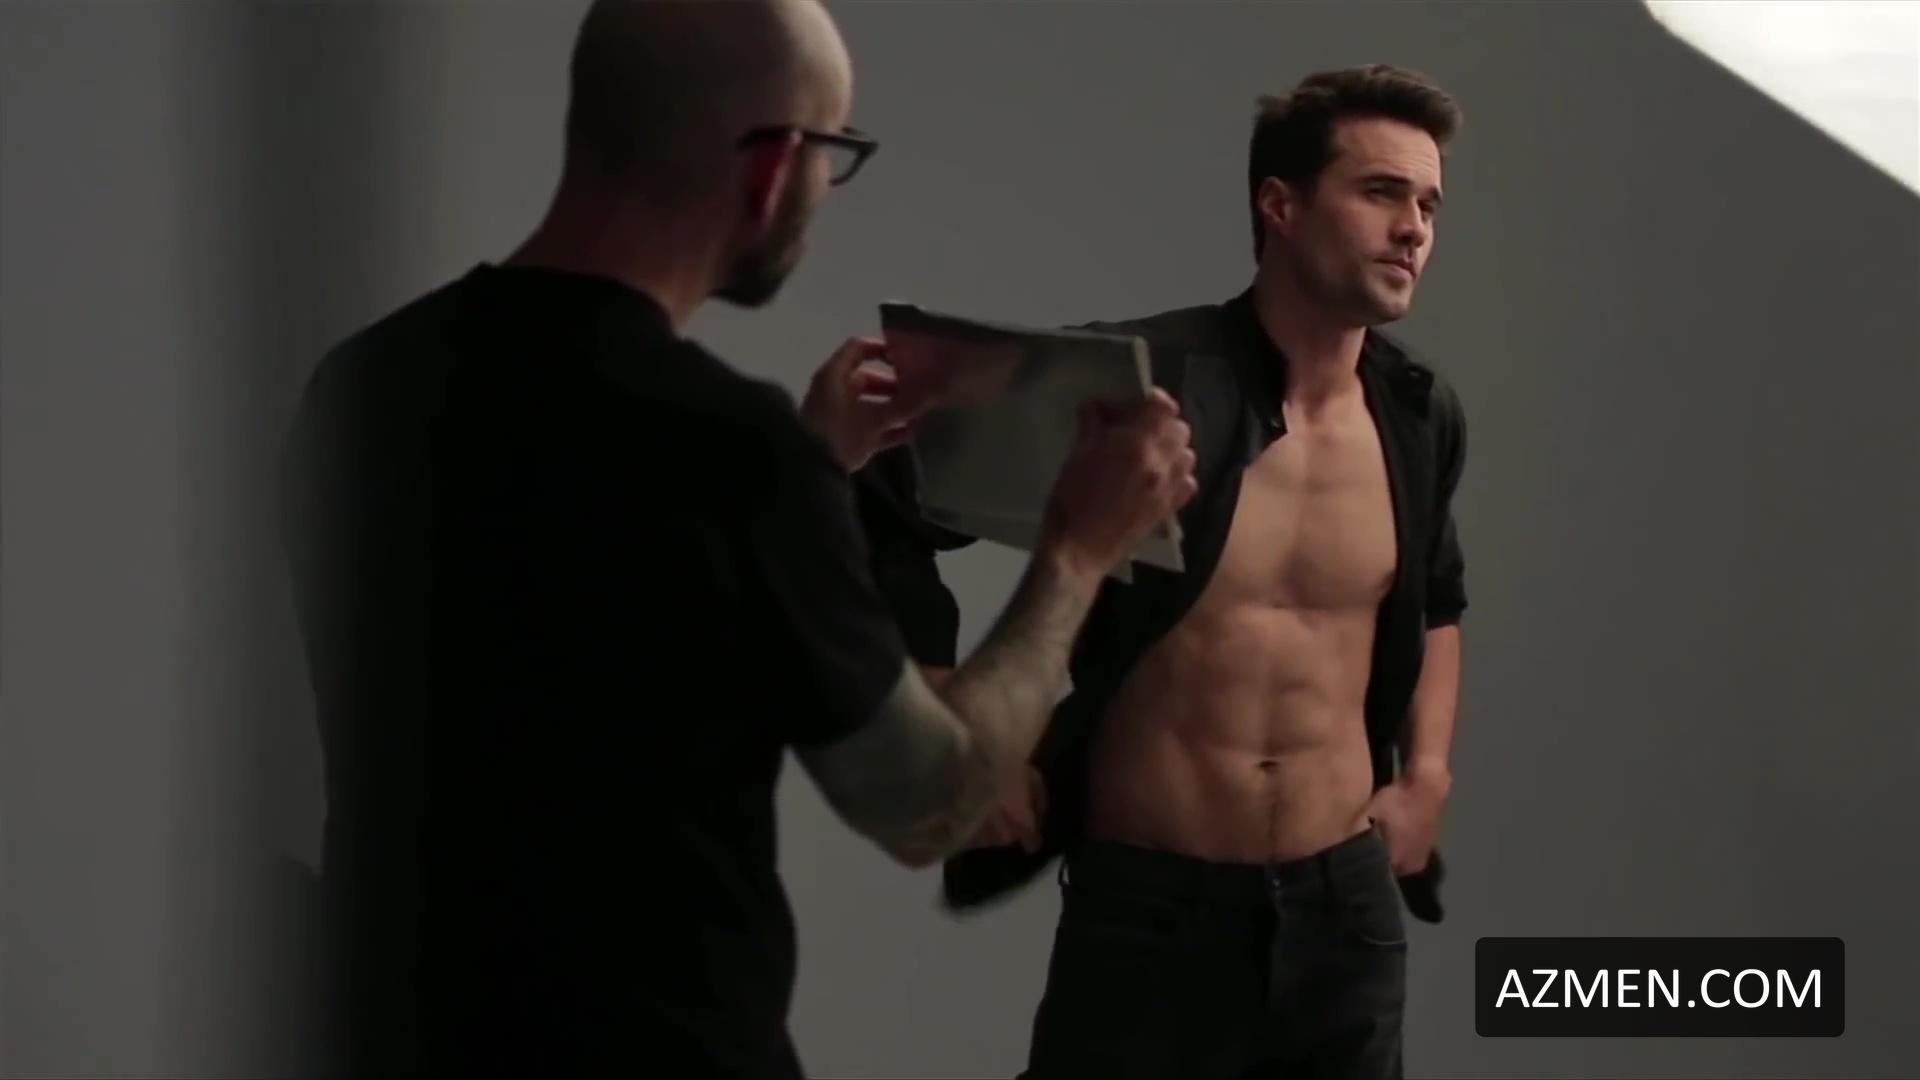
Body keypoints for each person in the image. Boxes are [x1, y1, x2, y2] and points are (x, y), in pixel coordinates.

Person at [277, 1, 1197, 1077]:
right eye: (832, 154)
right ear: (769, 168)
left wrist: (814, 465)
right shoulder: (727, 452)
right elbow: (929, 800)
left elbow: (560, 619)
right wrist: (1077, 549)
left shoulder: (364, 381)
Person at [852, 64, 1470, 1079]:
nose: (1413, 229)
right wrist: (959, 724)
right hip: (1153, 910)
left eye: (1429, 205)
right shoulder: (1141, 386)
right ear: (1280, 206)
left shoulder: (1416, 412)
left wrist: (1429, 774)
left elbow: (1436, 600)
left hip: (1342, 913)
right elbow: (879, 499)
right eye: (1381, 192)